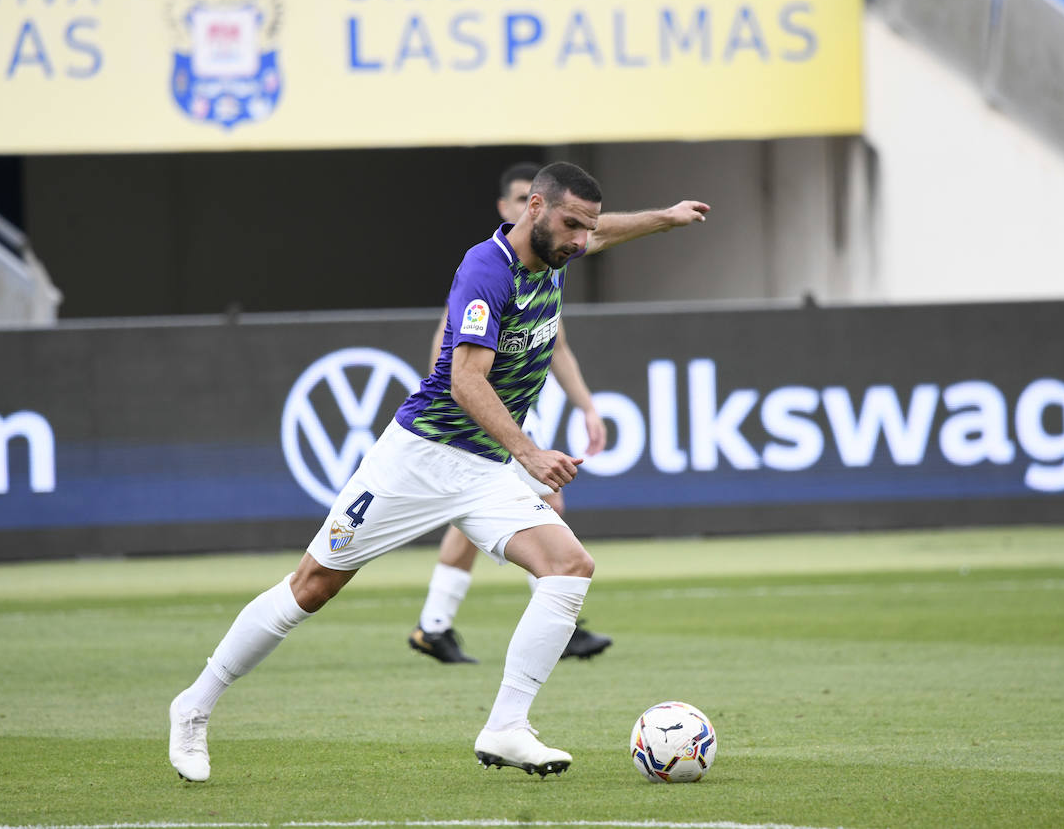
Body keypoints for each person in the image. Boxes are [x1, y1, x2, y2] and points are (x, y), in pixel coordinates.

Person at [168, 162, 709, 781]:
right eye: (570, 225)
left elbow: (603, 230)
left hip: (483, 469)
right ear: (531, 207)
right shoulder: (486, 271)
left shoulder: (558, 247)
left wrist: (664, 220)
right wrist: (530, 452)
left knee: (569, 567)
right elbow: (463, 380)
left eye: (585, 229)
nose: (581, 241)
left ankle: (507, 726)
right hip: (419, 458)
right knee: (311, 587)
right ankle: (194, 706)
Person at [408, 162, 612, 664]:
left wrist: (587, 406)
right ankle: (557, 620)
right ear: (511, 208)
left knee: (484, 514)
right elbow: (451, 354)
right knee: (539, 510)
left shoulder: (553, 262)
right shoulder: (489, 269)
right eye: (520, 199)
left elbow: (557, 344)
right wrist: (464, 406)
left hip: (518, 412)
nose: (527, 206)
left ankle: (435, 624)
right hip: (485, 414)